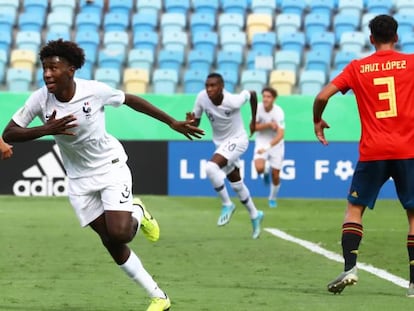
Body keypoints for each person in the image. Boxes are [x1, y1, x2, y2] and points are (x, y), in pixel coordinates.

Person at [2, 39, 204, 311]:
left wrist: (171, 122)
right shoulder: (40, 99)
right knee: (110, 242)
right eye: (44, 68)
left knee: (120, 233)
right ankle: (159, 297)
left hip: (110, 166)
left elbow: (131, 100)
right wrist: (47, 129)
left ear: (71, 70)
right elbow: (10, 133)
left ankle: (137, 212)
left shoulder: (94, 91)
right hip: (78, 179)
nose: (47, 74)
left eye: (54, 68)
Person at [313, 14, 414, 297]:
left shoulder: (358, 67)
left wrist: (317, 121)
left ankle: (350, 267)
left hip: (373, 151)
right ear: (396, 37)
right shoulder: (411, 63)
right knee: (413, 215)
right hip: (409, 149)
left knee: (354, 210)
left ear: (371, 39)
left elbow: (322, 96)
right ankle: (413, 284)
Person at [186, 72, 264, 239]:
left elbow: (252, 93)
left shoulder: (233, 100)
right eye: (207, 85)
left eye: (213, 85)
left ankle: (227, 204)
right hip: (221, 144)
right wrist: (190, 122)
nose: (209, 89)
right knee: (236, 183)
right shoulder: (201, 97)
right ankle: (255, 214)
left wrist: (253, 120)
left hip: (238, 140)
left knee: (210, 167)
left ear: (222, 87)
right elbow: (197, 121)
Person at [253, 86, 285, 208]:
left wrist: (267, 148)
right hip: (261, 140)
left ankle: (272, 198)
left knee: (276, 175)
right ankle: (265, 171)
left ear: (274, 99)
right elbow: (253, 127)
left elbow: (281, 134)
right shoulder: (258, 108)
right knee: (259, 168)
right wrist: (268, 125)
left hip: (276, 144)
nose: (265, 99)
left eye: (268, 97)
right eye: (264, 96)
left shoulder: (279, 112)